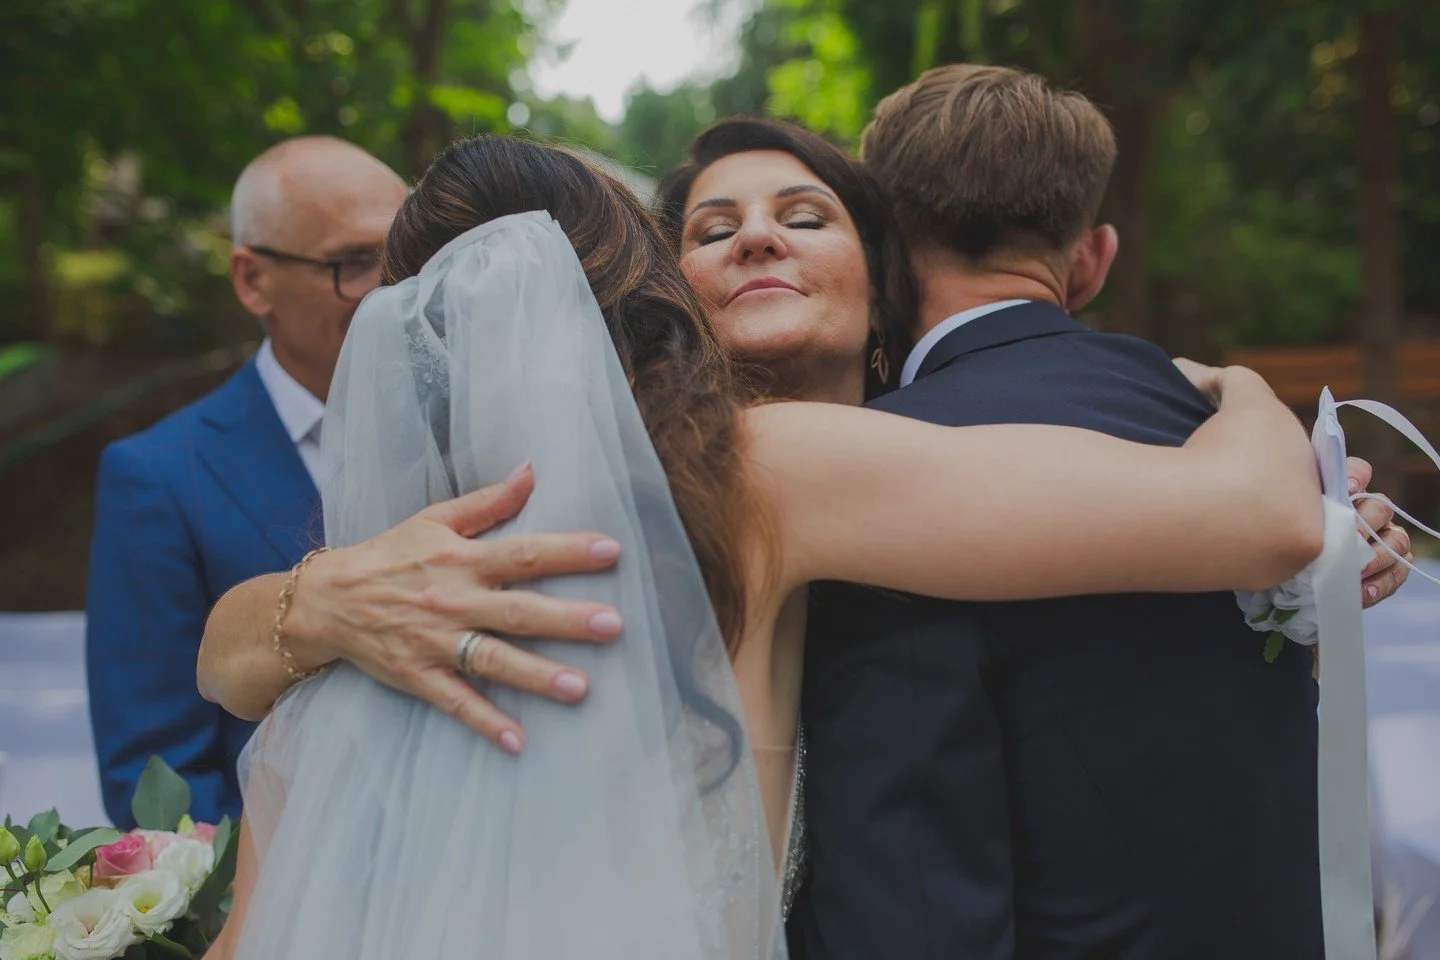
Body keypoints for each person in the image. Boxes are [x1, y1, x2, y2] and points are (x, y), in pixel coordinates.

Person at [203, 133, 1328, 959]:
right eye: (695, 231)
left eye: (805, 215)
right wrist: (1234, 387)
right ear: (656, 291)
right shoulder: (757, 474)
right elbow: (1262, 519)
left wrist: (294, 610)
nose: (755, 240)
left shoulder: (363, 614)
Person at [786, 64, 1413, 960]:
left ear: (878, 241)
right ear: (1093, 258)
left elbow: (912, 902)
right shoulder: (1250, 440)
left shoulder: (867, 462)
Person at [85, 136, 407, 825]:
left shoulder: (470, 431)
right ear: (253, 280)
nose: (394, 288)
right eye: (354, 261)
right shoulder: (157, 476)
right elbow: (157, 783)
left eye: (408, 253)